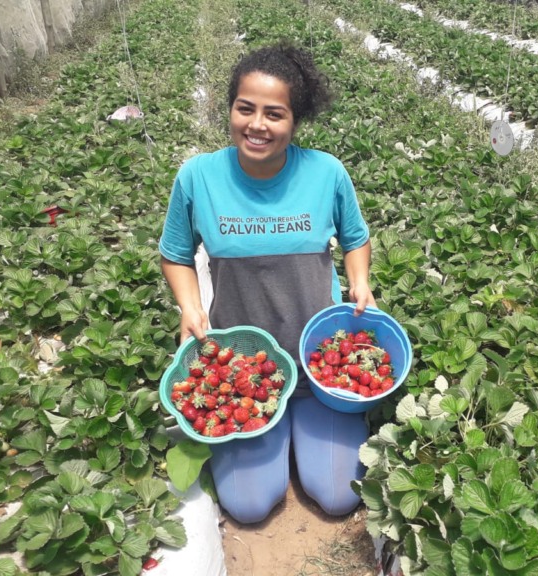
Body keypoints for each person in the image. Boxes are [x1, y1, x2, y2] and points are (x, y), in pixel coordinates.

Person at [158, 43, 375, 523]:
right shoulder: (199, 177)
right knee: (250, 505)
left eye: (274, 114)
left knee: (340, 496)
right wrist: (189, 309)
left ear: (295, 121)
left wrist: (359, 283)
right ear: (230, 109)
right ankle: (281, 430)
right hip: (241, 370)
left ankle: (305, 421)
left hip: (322, 361)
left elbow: (356, 239)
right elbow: (175, 254)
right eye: (245, 108)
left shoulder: (326, 172)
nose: (257, 125)